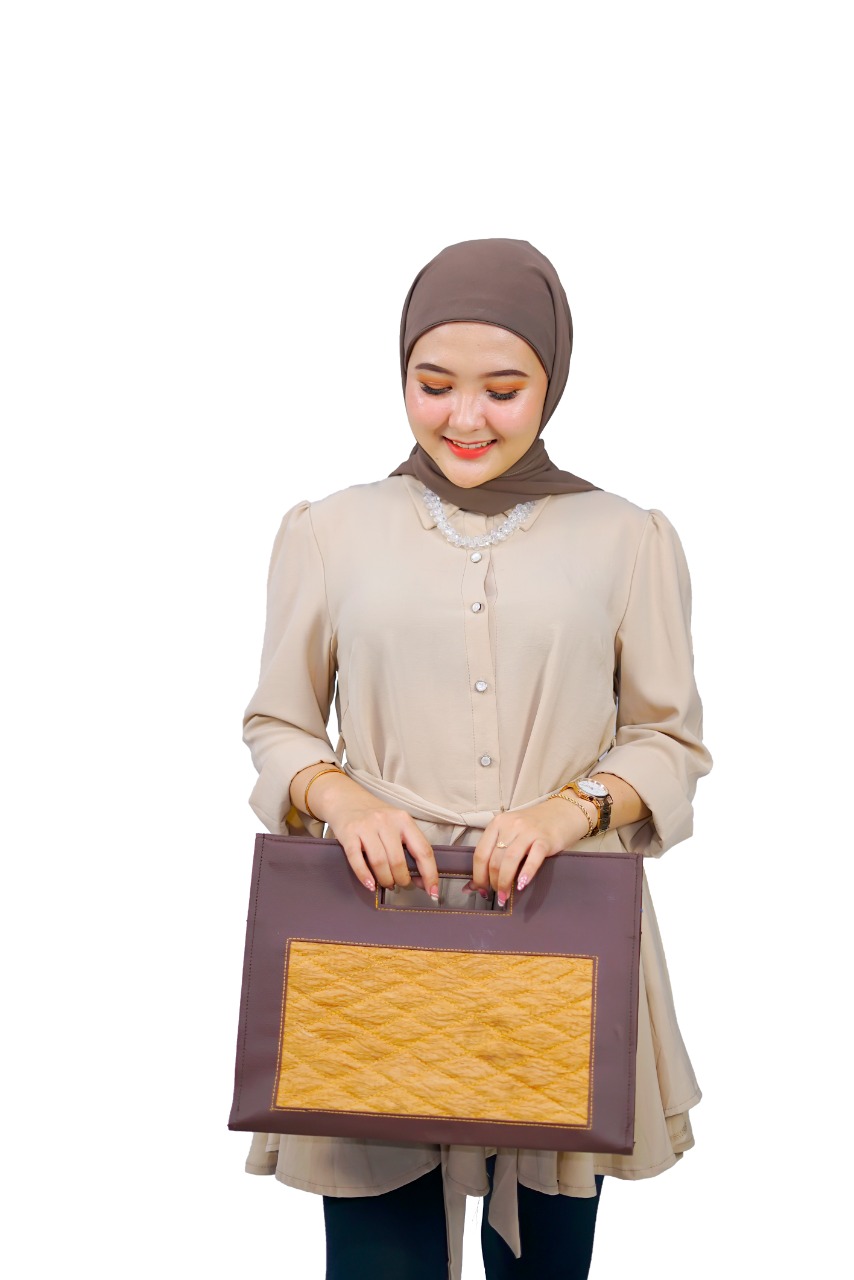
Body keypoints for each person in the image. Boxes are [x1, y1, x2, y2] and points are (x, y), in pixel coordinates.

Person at [241, 238, 712, 1280]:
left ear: (553, 378)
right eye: (432, 383)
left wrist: (567, 810)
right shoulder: (328, 531)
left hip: (559, 932)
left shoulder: (627, 538)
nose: (464, 417)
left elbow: (669, 736)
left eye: (503, 390)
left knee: (543, 1265)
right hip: (372, 930)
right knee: (378, 1263)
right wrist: (341, 799)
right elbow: (278, 723)